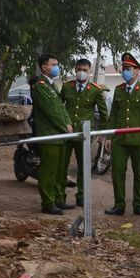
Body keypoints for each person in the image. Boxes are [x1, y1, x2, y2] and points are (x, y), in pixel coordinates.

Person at [104, 52, 140, 216]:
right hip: (120, 140)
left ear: (136, 71)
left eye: (128, 69)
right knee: (117, 172)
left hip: (138, 139)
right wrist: (109, 137)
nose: (125, 71)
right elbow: (113, 115)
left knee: (138, 173)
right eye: (123, 68)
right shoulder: (119, 90)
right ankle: (119, 204)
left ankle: (138, 204)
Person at [59, 58, 108, 206]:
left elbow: (104, 114)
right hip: (67, 133)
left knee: (84, 167)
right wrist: (63, 124)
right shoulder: (66, 87)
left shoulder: (95, 90)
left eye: (85, 70)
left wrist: (100, 134)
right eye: (79, 69)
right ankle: (60, 197)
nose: (82, 72)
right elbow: (59, 107)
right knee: (62, 166)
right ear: (75, 70)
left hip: (84, 135)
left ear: (90, 71)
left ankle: (82, 197)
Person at [30, 53, 73, 215]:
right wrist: (64, 127)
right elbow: (51, 112)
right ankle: (48, 203)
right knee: (48, 171)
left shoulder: (52, 86)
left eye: (57, 65)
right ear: (44, 67)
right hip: (49, 135)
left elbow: (61, 108)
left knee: (60, 171)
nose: (57, 68)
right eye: (54, 65)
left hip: (60, 135)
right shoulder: (40, 86)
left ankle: (59, 199)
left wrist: (68, 123)